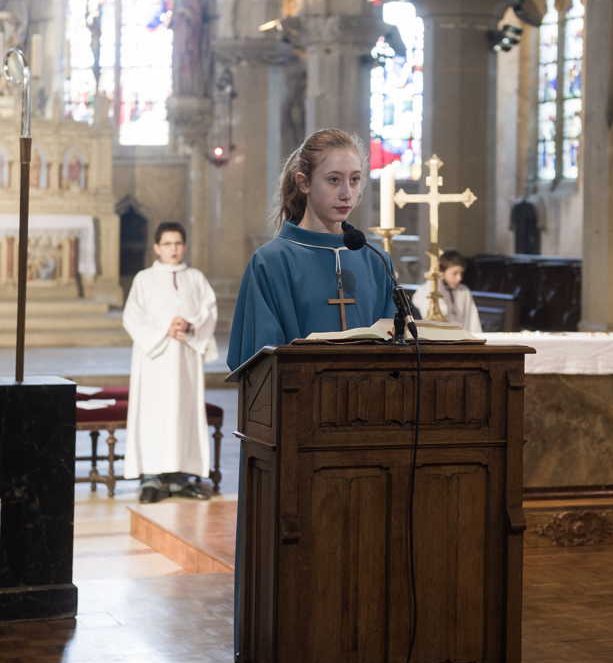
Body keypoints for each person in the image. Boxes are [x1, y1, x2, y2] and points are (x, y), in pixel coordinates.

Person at [227, 129, 395, 368]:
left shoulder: (375, 260)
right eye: (334, 180)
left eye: (355, 179)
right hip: (299, 400)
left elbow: (396, 350)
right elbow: (257, 362)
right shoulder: (271, 261)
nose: (347, 193)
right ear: (304, 182)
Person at [123, 221, 218, 503]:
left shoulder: (196, 278)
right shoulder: (144, 279)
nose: (173, 249)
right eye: (167, 244)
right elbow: (132, 316)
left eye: (177, 244)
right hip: (155, 357)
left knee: (183, 414)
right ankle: (151, 478)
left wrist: (189, 326)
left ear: (184, 246)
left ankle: (179, 478)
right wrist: (166, 328)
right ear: (156, 248)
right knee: (154, 415)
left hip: (185, 356)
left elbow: (209, 311)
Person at [412, 248, 482, 333]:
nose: (459, 278)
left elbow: (473, 320)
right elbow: (428, 317)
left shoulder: (464, 291)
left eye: (461, 273)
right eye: (455, 273)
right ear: (442, 271)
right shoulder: (427, 290)